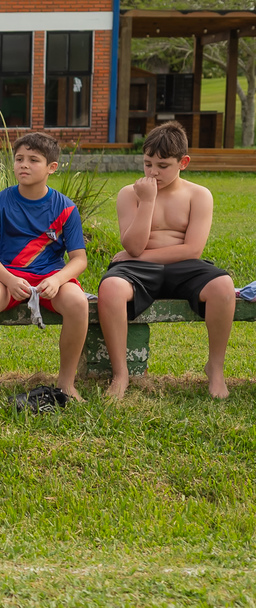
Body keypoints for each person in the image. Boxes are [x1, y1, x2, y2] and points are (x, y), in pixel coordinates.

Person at [99, 121, 233, 400]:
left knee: (223, 285)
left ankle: (215, 369)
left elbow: (192, 250)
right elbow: (133, 246)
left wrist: (137, 255)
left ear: (183, 162)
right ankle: (121, 373)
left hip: (182, 266)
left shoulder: (199, 195)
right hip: (136, 269)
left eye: (162, 166)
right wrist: (147, 201)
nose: (152, 172)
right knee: (110, 288)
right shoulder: (129, 194)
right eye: (148, 164)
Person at [0, 132, 89, 404]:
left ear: (52, 167)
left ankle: (66, 384)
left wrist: (59, 280)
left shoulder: (66, 208)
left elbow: (79, 259)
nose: (23, 165)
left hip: (50, 277)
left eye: (33, 160)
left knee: (77, 303)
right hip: (5, 276)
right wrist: (9, 280)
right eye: (19, 159)